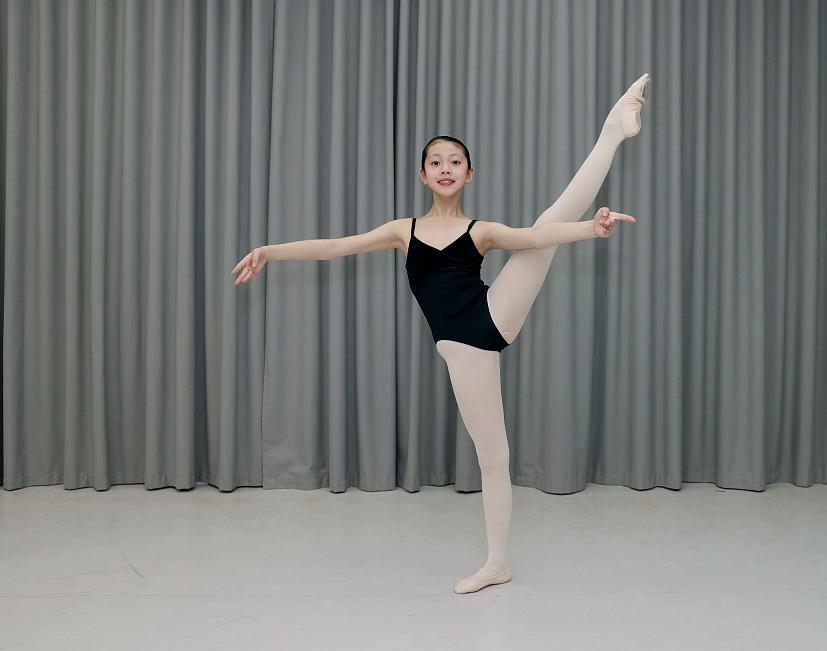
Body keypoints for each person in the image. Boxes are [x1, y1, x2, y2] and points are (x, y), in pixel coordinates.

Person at [232, 73, 650, 594]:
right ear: (423, 174)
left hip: (489, 317)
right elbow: (335, 247)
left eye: (455, 162)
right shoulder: (401, 231)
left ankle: (612, 131)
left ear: (469, 174)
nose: (445, 168)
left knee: (545, 229)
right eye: (436, 162)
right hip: (462, 348)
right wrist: (270, 251)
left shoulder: (482, 231)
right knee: (493, 455)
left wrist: (593, 227)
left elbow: (534, 236)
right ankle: (499, 563)